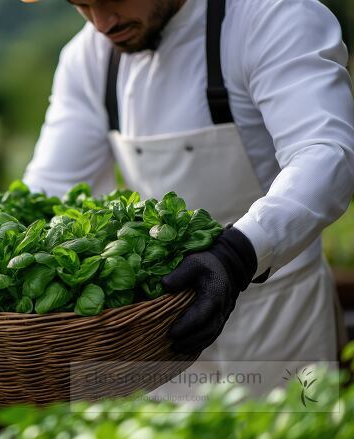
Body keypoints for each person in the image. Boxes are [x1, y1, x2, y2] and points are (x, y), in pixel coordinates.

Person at [21, 0, 354, 396]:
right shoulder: (87, 59)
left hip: (277, 318)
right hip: (159, 329)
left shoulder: (271, 16)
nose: (101, 22)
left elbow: (326, 154)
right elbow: (52, 189)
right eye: (82, 5)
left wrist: (236, 255)